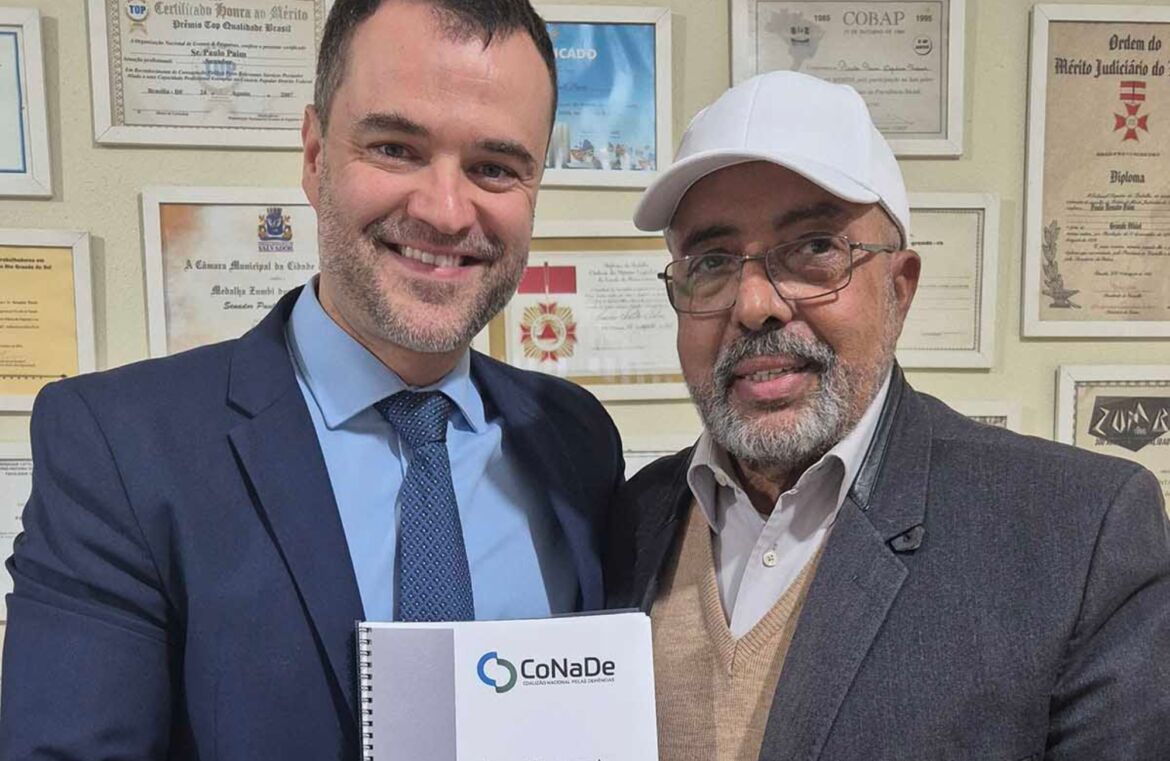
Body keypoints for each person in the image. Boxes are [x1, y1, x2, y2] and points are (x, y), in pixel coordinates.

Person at [1, 1, 623, 758]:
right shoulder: (121, 447)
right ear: (314, 155)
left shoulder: (575, 438)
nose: (445, 211)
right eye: (395, 148)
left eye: (494, 167)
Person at [606, 71, 1170, 761]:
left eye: (814, 248)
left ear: (899, 290)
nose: (754, 304)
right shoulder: (627, 520)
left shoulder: (1076, 533)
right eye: (712, 261)